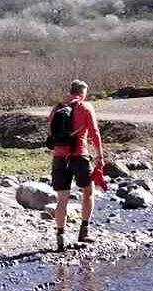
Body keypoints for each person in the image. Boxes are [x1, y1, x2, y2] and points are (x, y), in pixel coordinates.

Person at [49, 80, 104, 252]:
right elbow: (94, 132)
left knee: (62, 199)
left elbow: (51, 132)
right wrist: (100, 156)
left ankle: (60, 237)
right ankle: (84, 231)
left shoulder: (57, 108)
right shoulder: (85, 107)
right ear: (82, 92)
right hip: (80, 155)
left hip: (59, 157)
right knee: (88, 191)